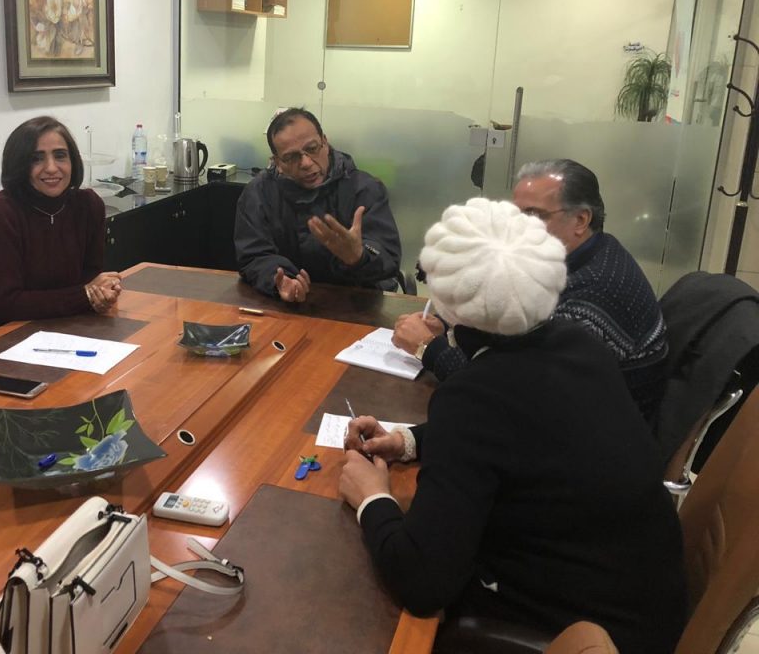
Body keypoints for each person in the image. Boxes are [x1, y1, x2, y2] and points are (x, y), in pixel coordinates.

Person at [340, 198, 686, 654]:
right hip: (648, 604)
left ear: (449, 303)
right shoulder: (578, 344)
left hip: (582, 632)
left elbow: (422, 582)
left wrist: (372, 498)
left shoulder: (472, 397)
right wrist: (407, 441)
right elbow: (525, 432)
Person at [394, 158, 667, 424]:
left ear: (581, 220)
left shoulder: (589, 296)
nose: (517, 228)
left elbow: (511, 396)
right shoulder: (587, 254)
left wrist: (428, 348)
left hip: (590, 439)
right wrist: (455, 327)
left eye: (533, 215)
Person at [0, 116, 122, 341]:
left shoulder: (88, 205)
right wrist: (84, 296)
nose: (51, 168)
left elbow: (91, 280)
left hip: (63, 325)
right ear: (19, 165)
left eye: (60, 156)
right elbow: (5, 305)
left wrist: (103, 292)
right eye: (36, 159)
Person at [234, 107, 402, 303]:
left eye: (312, 148)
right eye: (291, 157)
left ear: (325, 142)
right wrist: (281, 280)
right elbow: (254, 255)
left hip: (356, 305)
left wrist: (359, 256)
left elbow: (388, 258)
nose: (305, 163)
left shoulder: (364, 189)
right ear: (277, 162)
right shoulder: (259, 193)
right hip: (285, 305)